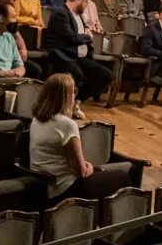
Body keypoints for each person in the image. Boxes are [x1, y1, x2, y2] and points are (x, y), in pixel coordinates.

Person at [30, 73, 131, 201]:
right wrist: (89, 167)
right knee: (123, 177)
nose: (74, 96)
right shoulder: (67, 125)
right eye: (73, 92)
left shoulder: (36, 119)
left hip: (44, 186)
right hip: (65, 188)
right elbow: (80, 172)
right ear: (66, 97)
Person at [42, 0, 113, 112]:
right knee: (78, 75)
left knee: (105, 75)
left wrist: (84, 37)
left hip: (80, 57)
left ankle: (77, 100)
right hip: (63, 55)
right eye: (86, 2)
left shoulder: (79, 15)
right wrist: (87, 36)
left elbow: (78, 36)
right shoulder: (60, 13)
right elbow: (70, 37)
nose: (87, 5)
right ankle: (67, 104)